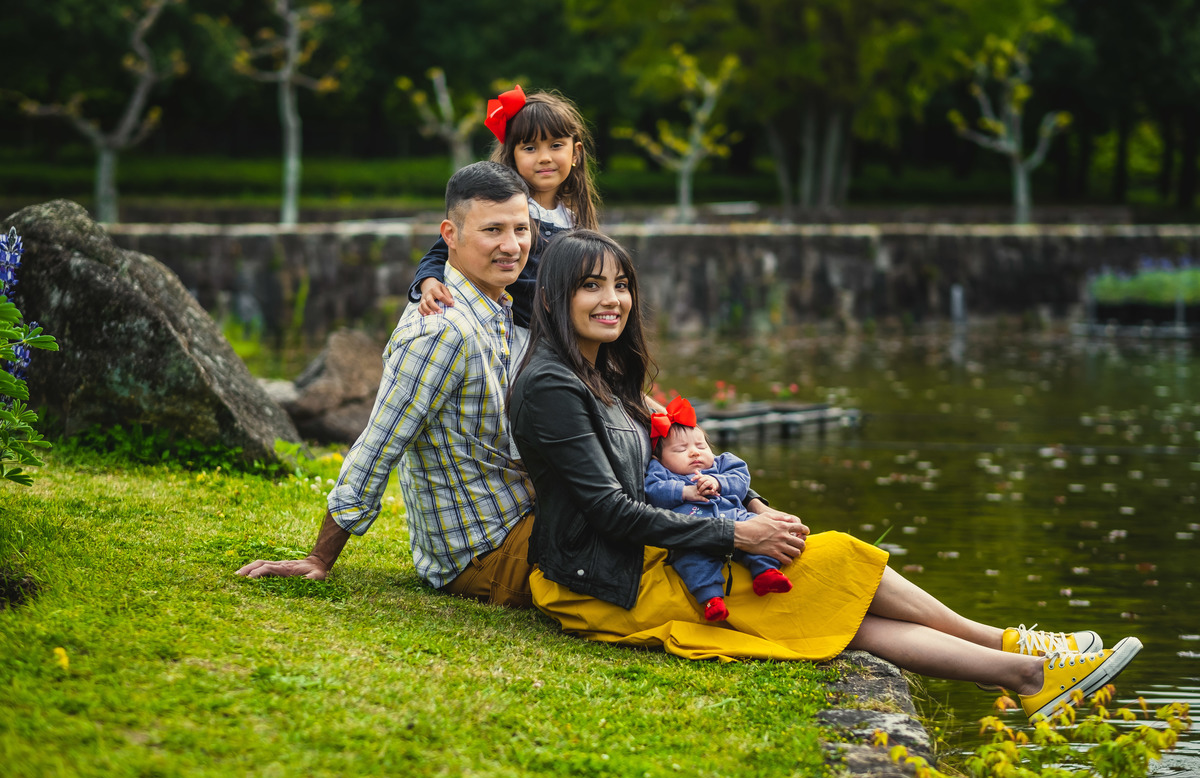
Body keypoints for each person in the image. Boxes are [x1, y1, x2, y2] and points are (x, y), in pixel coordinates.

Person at [507, 228, 1143, 721]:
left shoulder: (608, 372)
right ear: (559, 298)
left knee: (836, 579)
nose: (612, 299)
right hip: (601, 584)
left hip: (646, 556)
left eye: (621, 284)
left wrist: (753, 508)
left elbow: (669, 465)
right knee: (835, 582)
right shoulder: (552, 388)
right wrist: (740, 538)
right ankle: (1023, 667)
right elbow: (608, 511)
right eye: (592, 286)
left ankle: (1017, 659)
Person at [237, 161, 537, 607]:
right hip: (488, 551)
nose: (511, 246)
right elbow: (378, 444)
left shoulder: (496, 311)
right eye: (493, 230)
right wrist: (319, 559)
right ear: (449, 236)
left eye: (521, 229)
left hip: (520, 518)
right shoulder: (442, 331)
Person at [408, 85, 601, 333]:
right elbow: (439, 252)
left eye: (556, 145)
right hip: (513, 332)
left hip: (562, 337)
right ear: (513, 155)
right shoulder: (500, 212)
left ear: (575, 153)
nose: (544, 157)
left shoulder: (574, 219)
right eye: (530, 148)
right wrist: (429, 282)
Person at [644, 395, 792, 623]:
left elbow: (742, 480)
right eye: (681, 449)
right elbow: (653, 492)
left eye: (700, 445)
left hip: (736, 520)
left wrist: (720, 482)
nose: (694, 452)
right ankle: (711, 599)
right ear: (659, 458)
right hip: (694, 532)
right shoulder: (661, 473)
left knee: (758, 534)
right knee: (691, 561)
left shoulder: (722, 464)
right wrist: (685, 492)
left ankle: (766, 573)